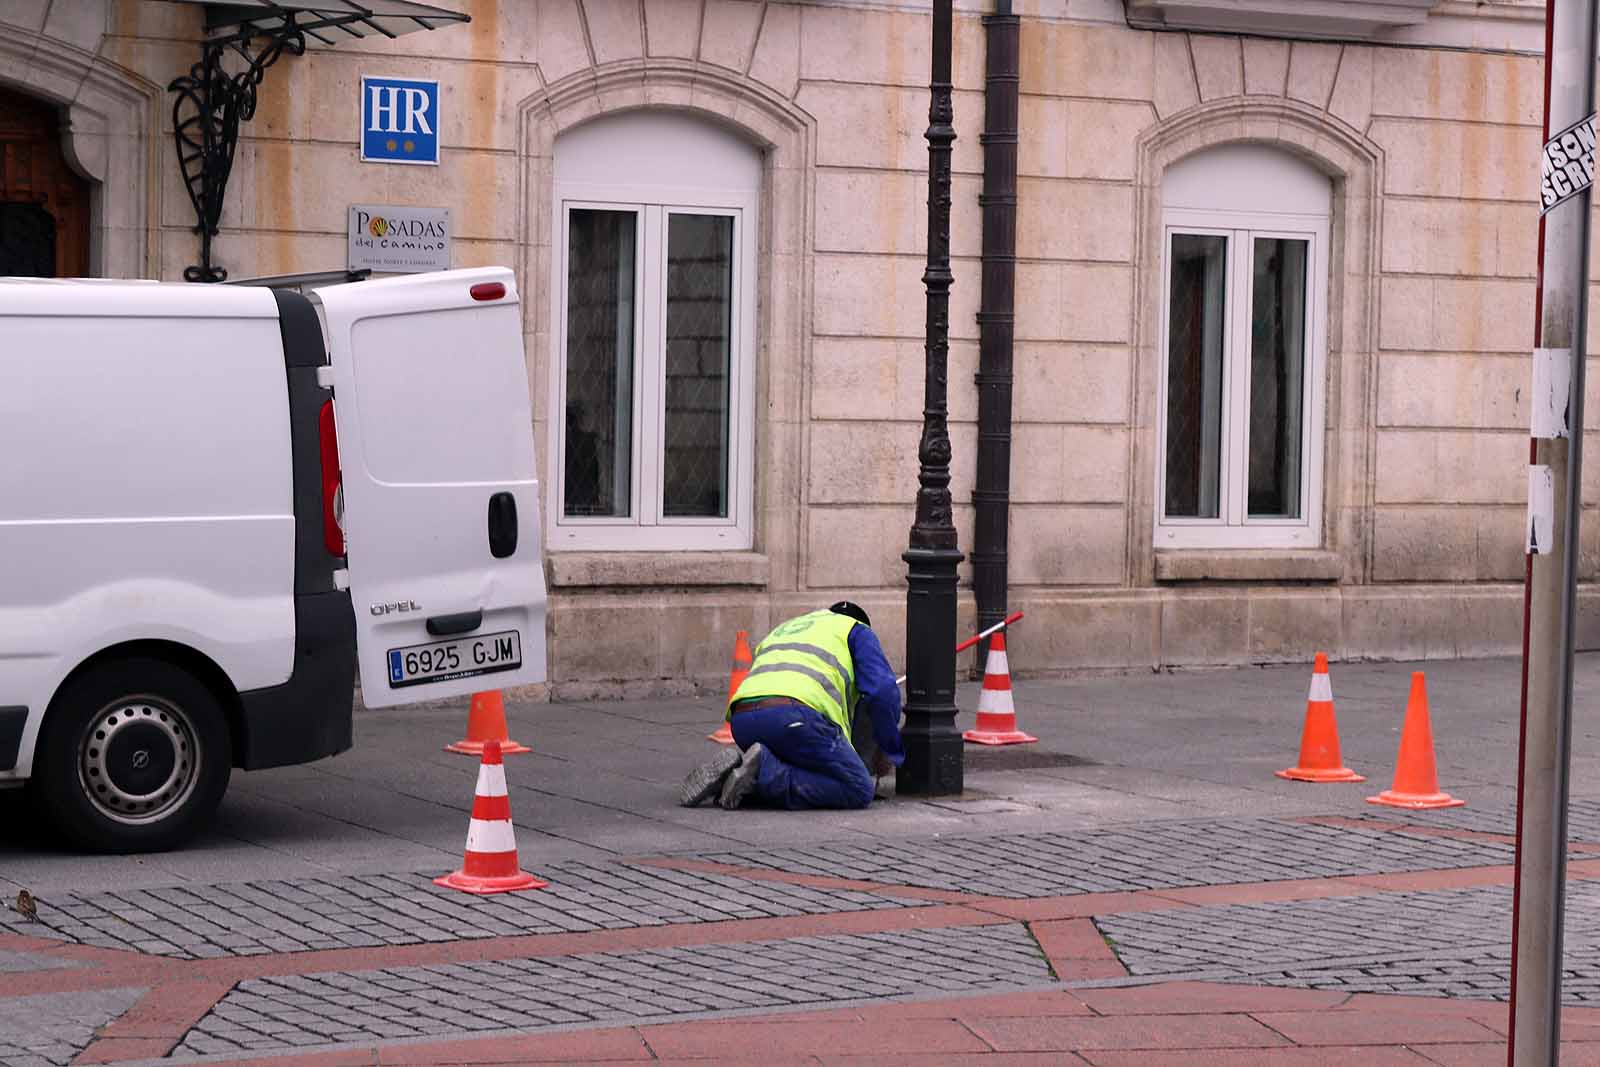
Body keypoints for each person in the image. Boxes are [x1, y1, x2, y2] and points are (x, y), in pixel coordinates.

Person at [679, 602, 903, 810]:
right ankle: (758, 777)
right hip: (794, 717)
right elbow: (882, 691)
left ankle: (743, 768)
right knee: (857, 788)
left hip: (743, 722)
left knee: (802, 760)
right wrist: (889, 750)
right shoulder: (857, 630)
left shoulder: (787, 628)